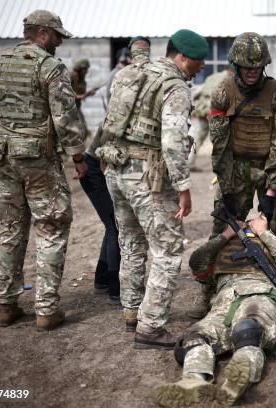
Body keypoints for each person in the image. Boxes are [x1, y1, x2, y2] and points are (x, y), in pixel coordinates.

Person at [0, 9, 87, 330]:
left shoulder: (0, 62)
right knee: (51, 226)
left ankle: (5, 305)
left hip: (3, 158)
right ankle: (46, 310)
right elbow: (65, 118)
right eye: (57, 37)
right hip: (39, 161)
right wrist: (78, 158)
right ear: (41, 33)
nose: (60, 43)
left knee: (9, 229)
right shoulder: (50, 68)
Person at [97, 29, 207, 348]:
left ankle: (132, 312)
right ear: (181, 57)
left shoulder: (131, 73)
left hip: (117, 170)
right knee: (168, 248)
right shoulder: (174, 86)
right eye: (197, 63)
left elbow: (111, 120)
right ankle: (152, 326)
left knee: (130, 240)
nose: (200, 68)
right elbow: (172, 142)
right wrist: (184, 187)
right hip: (147, 176)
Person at [197, 32, 276, 320]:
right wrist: (228, 190)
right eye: (247, 67)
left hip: (272, 165)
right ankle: (207, 289)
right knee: (222, 228)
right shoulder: (223, 92)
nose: (253, 72)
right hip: (236, 167)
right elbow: (220, 147)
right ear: (237, 65)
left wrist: (270, 193)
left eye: (257, 67)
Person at [154, 215, 276, 406]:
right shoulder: (220, 245)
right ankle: (194, 380)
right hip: (225, 298)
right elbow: (196, 262)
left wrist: (263, 232)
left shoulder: (270, 240)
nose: (247, 224)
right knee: (195, 336)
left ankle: (238, 375)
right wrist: (225, 235)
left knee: (249, 328)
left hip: (260, 292)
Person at [79, 37, 150, 305]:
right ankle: (114, 287)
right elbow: (105, 158)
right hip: (95, 173)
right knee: (116, 228)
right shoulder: (119, 118)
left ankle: (101, 281)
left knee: (113, 226)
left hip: (97, 170)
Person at [188, 67, 232, 170]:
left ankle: (188, 163)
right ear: (230, 71)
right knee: (221, 139)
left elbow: (201, 90)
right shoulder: (226, 80)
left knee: (197, 137)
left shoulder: (213, 77)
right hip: (214, 111)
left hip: (204, 110)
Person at [70, 58, 97, 137]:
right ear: (80, 68)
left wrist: (88, 94)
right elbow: (64, 90)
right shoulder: (71, 75)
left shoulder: (82, 80)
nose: (86, 71)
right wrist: (78, 96)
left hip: (76, 107)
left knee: (83, 131)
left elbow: (81, 96)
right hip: (68, 108)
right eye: (85, 69)